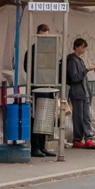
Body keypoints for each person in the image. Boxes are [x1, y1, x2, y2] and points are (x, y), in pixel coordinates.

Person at [25, 24, 57, 157]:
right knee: (36, 117)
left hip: (47, 87)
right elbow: (28, 67)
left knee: (45, 118)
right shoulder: (32, 51)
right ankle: (35, 147)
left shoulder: (49, 51)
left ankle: (42, 146)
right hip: (37, 87)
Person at [66, 38, 95, 149]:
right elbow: (75, 77)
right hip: (77, 93)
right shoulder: (72, 61)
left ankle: (86, 138)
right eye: (83, 47)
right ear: (77, 46)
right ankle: (80, 138)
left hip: (83, 92)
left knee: (85, 117)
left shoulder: (79, 60)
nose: (84, 50)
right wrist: (86, 70)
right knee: (79, 117)